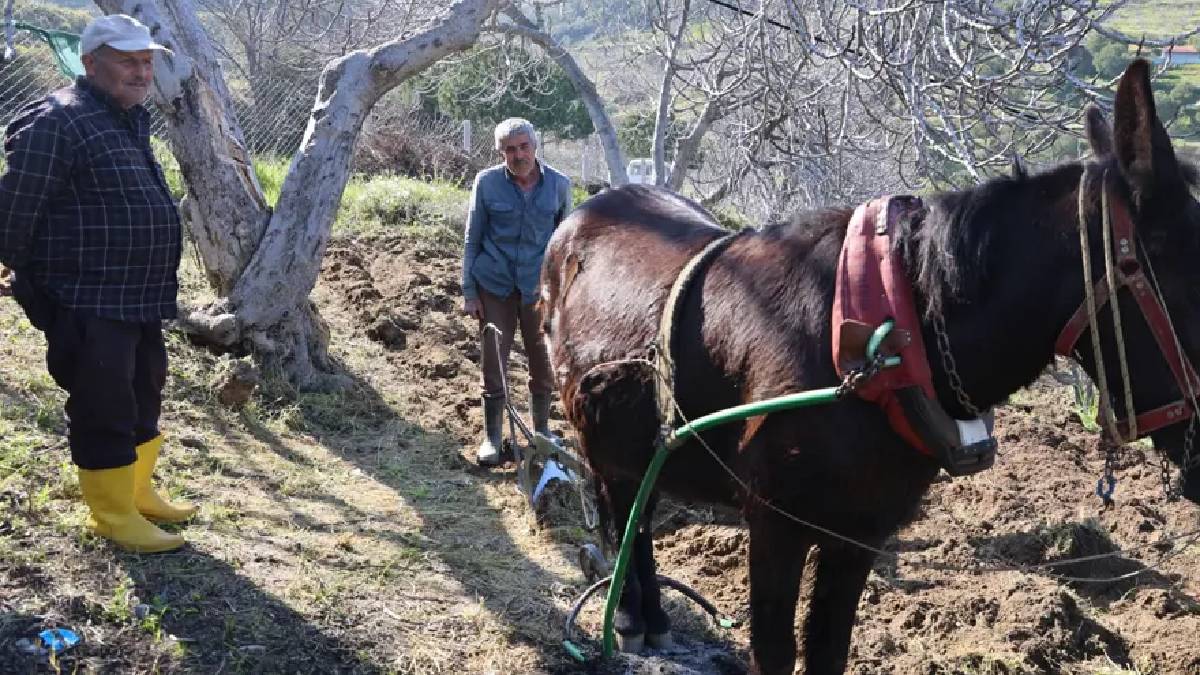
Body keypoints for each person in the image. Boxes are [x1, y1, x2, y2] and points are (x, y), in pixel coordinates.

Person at [0, 14, 194, 553]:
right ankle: (110, 514)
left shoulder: (126, 117)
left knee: (143, 391)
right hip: (85, 296)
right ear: (90, 63)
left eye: (146, 61)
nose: (141, 72)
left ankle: (135, 491)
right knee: (102, 403)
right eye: (127, 61)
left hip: (138, 297)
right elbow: (15, 206)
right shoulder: (58, 119)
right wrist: (17, 271)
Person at [462, 118, 572, 466]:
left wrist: (565, 294)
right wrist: (469, 291)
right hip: (493, 284)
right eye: (510, 149)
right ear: (501, 152)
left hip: (538, 290)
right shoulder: (487, 183)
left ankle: (542, 431)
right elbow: (472, 238)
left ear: (535, 146)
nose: (518, 154)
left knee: (544, 364)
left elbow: (566, 245)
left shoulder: (559, 185)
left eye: (523, 146)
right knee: (494, 362)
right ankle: (493, 438)